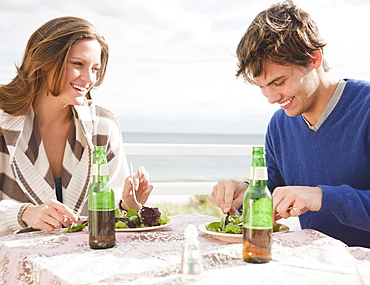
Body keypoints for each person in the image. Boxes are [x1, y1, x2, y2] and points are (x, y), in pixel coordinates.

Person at [211, 1, 370, 248]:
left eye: (279, 82)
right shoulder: (280, 125)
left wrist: (321, 196)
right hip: (321, 264)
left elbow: (316, 197)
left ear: (314, 58)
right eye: (262, 87)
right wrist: (245, 193)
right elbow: (273, 190)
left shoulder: (366, 108)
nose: (271, 98)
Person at [0, 16, 153, 236]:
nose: (89, 78)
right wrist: (23, 214)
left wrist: (129, 204)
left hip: (81, 262)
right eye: (78, 64)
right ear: (45, 61)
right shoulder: (4, 124)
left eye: (95, 69)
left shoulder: (103, 127)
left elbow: (115, 220)